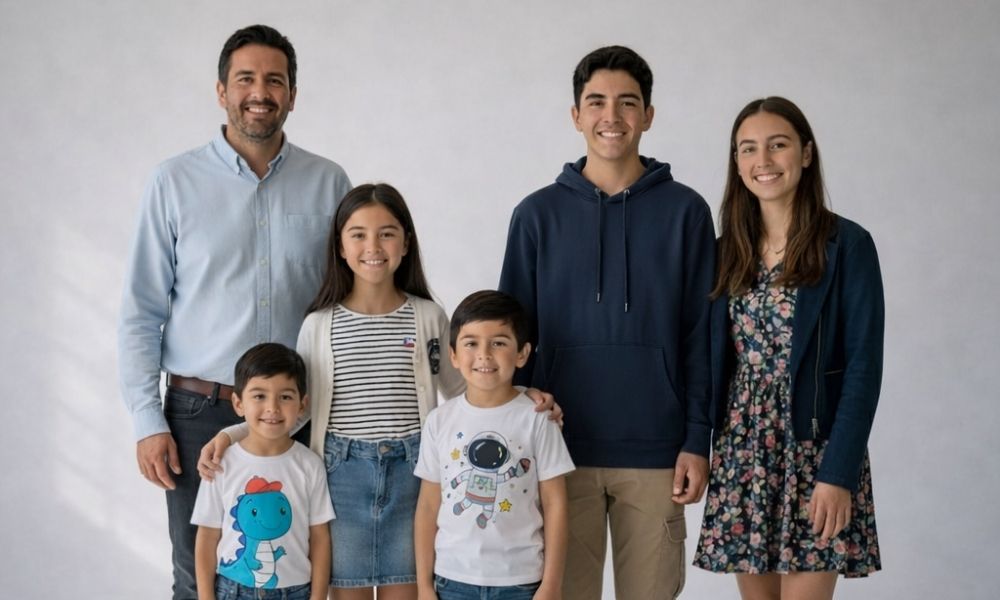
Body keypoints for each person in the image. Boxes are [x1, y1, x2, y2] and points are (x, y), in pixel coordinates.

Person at [199, 184, 557, 600]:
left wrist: (524, 395)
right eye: (359, 235)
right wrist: (232, 435)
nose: (373, 246)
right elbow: (295, 409)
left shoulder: (427, 316)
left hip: (412, 476)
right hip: (341, 475)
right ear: (340, 246)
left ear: (405, 243)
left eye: (387, 233)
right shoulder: (320, 323)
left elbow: (468, 389)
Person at [117, 24, 351, 599]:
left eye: (275, 80)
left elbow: (349, 301)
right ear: (221, 90)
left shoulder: (329, 183)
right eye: (245, 79)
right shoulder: (174, 182)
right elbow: (141, 311)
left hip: (298, 415)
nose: (260, 93)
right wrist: (148, 422)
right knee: (198, 578)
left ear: (292, 94)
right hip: (199, 412)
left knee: (297, 572)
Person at [498, 45, 716, 599]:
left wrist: (698, 439)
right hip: (556, 451)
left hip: (657, 451)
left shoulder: (687, 213)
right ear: (576, 115)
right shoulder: (536, 215)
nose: (611, 116)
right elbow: (509, 341)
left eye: (627, 102)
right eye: (596, 102)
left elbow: (701, 336)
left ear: (648, 115)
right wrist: (518, 425)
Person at [692, 97, 883, 600]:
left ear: (806, 153)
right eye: (748, 149)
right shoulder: (725, 252)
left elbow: (863, 370)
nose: (764, 160)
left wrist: (838, 473)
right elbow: (706, 362)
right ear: (737, 163)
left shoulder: (847, 245)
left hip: (816, 451)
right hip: (743, 451)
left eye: (778, 145)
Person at [413, 290, 575, 600]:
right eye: (471, 343)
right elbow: (428, 506)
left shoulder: (538, 418)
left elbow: (555, 504)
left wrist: (552, 585)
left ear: (522, 354)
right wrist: (423, 586)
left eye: (498, 343)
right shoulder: (439, 421)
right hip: (452, 580)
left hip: (521, 581)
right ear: (453, 355)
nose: (484, 354)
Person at [191, 343, 334, 600]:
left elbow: (320, 538)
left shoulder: (310, 465)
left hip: (296, 592)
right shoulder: (221, 463)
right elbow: (207, 536)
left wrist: (318, 597)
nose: (273, 408)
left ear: (302, 404)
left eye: (285, 397)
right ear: (238, 403)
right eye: (259, 396)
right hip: (233, 591)